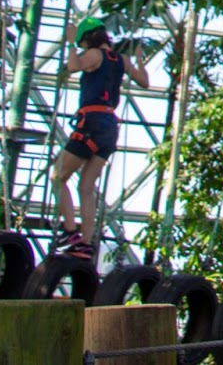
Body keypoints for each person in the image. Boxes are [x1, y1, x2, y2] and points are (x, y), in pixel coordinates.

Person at [52, 15, 150, 258]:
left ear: (88, 39)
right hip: (108, 127)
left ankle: (70, 231)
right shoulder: (121, 59)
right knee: (86, 186)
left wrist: (71, 43)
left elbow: (73, 67)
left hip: (91, 123)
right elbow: (144, 82)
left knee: (57, 176)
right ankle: (85, 243)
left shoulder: (94, 55)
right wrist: (139, 60)